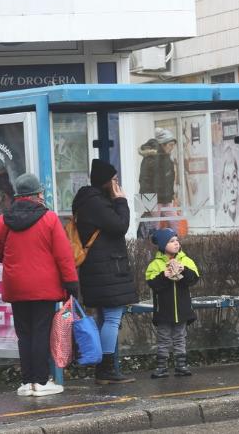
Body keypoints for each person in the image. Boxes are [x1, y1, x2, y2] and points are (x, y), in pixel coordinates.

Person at [0, 173, 78, 397]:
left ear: (18, 196)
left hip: (16, 286)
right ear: (37, 194)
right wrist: (71, 284)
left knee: (24, 334)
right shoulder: (49, 219)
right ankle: (41, 381)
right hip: (44, 288)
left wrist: (10, 261)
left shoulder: (3, 220)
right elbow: (63, 255)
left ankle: (27, 382)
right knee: (40, 333)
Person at [72, 158, 139, 384]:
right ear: (105, 182)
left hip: (98, 269)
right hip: (108, 269)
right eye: (114, 180)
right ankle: (106, 369)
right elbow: (120, 226)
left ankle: (104, 369)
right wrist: (121, 201)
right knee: (112, 317)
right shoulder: (97, 203)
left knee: (105, 317)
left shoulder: (87, 201)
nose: (117, 184)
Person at [145, 228, 200, 379]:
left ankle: (181, 366)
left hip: (182, 310)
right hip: (163, 310)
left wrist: (184, 270)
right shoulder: (155, 264)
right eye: (171, 241)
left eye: (177, 240)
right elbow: (153, 284)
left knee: (180, 337)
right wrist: (165, 276)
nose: (176, 243)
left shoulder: (186, 260)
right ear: (163, 245)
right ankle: (161, 367)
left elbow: (194, 279)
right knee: (163, 338)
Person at [138, 127, 179, 233]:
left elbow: (169, 179)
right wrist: (148, 201)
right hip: (153, 198)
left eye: (173, 145)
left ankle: (172, 243)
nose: (172, 147)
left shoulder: (167, 158)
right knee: (154, 226)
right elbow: (144, 180)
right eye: (170, 145)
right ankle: (152, 246)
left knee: (174, 221)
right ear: (163, 144)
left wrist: (172, 195)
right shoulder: (151, 159)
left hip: (165, 197)